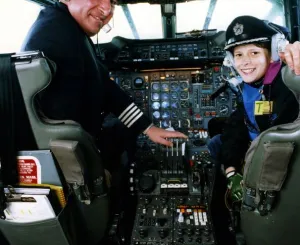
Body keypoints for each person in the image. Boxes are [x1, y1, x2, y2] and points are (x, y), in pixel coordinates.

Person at [21, 0, 187, 172]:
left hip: (66, 148)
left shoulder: (64, 27)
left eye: (113, 2)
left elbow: (103, 87)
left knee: (121, 129)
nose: (107, 9)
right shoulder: (55, 34)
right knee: (122, 137)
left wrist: (147, 127)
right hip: (68, 156)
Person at [209, 15, 300, 200]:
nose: (245, 62)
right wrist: (231, 172)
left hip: (274, 163)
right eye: (239, 55)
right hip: (259, 147)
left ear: (273, 53)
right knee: (217, 138)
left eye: (254, 53)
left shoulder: (289, 82)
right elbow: (240, 122)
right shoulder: (251, 87)